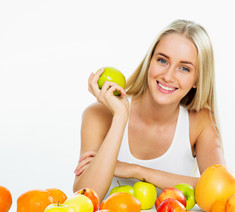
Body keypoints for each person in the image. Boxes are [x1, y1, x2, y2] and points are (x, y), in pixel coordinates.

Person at [73, 19, 224, 202]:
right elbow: (85, 197)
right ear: (149, 62)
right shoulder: (98, 114)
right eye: (162, 60)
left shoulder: (200, 121)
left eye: (184, 68)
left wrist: (135, 170)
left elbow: (220, 190)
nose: (168, 76)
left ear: (197, 80)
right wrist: (120, 117)